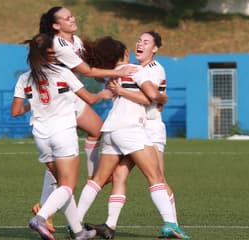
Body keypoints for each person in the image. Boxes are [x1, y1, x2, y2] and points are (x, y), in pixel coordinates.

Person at [32, 6, 137, 232]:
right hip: (59, 103)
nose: (72, 19)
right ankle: (45, 208)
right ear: (56, 25)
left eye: (72, 15)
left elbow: (89, 69)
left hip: (69, 97)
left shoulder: (75, 41)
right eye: (66, 17)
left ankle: (91, 176)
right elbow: (87, 71)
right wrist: (116, 73)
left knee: (96, 131)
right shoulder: (59, 45)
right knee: (59, 167)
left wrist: (107, 75)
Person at [74, 35, 185, 239]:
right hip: (132, 129)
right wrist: (163, 96)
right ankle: (171, 223)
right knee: (156, 177)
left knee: (103, 178)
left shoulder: (122, 72)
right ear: (125, 53)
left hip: (113, 129)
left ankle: (78, 223)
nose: (139, 44)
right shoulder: (136, 69)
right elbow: (151, 95)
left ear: (155, 49)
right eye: (138, 42)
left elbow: (104, 82)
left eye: (146, 42)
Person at [11, 33, 112, 240]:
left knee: (62, 187)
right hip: (63, 134)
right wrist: (105, 94)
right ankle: (40, 218)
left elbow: (16, 111)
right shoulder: (62, 73)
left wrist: (36, 102)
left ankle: (78, 232)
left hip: (41, 137)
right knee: (67, 186)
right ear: (50, 52)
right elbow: (90, 99)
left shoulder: (25, 77)